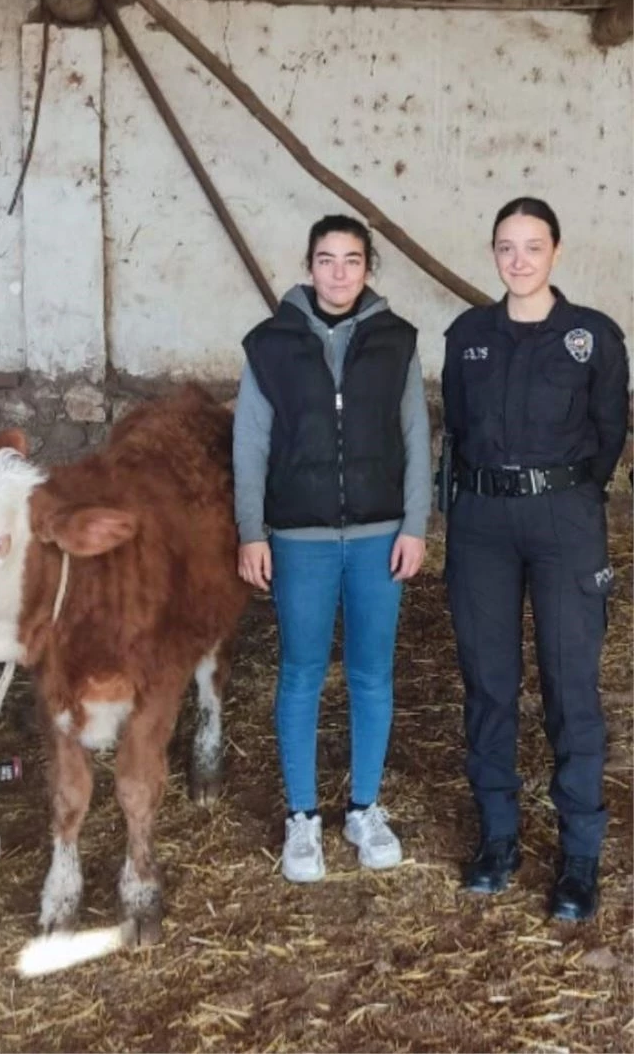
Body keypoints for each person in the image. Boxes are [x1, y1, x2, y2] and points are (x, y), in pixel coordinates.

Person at [442, 196, 629, 922]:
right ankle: (498, 838)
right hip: (483, 518)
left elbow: (611, 430)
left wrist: (565, 493)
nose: (518, 260)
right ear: (493, 253)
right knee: (488, 679)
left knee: (569, 682)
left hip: (564, 518)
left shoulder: (593, 336)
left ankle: (580, 853)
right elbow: (458, 423)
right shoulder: (468, 336)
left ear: (556, 250)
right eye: (505, 247)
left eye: (532, 246)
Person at [233, 214, 431, 883]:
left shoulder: (397, 342)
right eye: (327, 259)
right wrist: (252, 531)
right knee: (302, 671)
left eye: (351, 259)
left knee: (373, 672)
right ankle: (303, 817)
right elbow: (250, 444)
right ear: (309, 265)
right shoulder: (270, 345)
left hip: (380, 532)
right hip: (299, 535)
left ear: (368, 267)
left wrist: (415, 525)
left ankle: (365, 806)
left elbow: (415, 435)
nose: (339, 272)